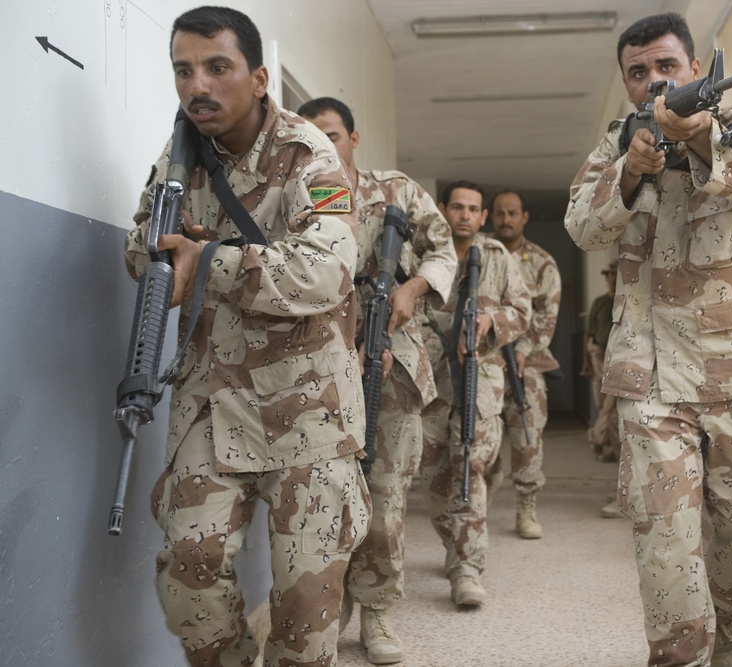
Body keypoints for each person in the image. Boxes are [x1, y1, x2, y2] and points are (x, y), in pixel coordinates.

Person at [124, 7, 370, 666]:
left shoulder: (305, 152)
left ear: (259, 78)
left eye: (217, 67)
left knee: (307, 602)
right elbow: (143, 239)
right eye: (183, 70)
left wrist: (206, 261)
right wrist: (154, 259)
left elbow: (327, 270)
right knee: (190, 566)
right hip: (211, 398)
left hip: (309, 404)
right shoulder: (178, 154)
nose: (197, 84)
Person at [564, 12, 732, 667]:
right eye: (637, 72)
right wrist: (633, 171)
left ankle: (726, 614)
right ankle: (683, 651)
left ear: (695, 71)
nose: (654, 82)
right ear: (625, 84)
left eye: (666, 67)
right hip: (647, 375)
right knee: (664, 543)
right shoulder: (618, 142)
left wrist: (701, 143)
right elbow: (583, 225)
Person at [297, 96, 457, 665]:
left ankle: (379, 611)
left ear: (354, 138)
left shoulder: (397, 190)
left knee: (385, 498)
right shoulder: (300, 194)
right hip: (318, 364)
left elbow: (444, 251)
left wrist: (411, 292)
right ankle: (331, 603)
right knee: (323, 497)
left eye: (333, 136)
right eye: (311, 137)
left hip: (394, 361)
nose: (323, 147)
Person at [420, 180, 530, 607]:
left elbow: (522, 312)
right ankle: (454, 544)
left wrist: (491, 322)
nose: (465, 215)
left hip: (480, 380)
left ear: (483, 217)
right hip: (430, 380)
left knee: (470, 467)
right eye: (458, 207)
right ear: (444, 210)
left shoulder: (498, 258)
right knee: (433, 478)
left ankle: (467, 568)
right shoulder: (424, 254)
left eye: (474, 209)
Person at [485, 190, 561, 539]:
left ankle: (526, 507)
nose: (505, 219)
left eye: (512, 213)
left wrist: (524, 348)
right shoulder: (479, 254)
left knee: (527, 432)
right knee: (477, 433)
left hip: (524, 362)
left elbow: (547, 316)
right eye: (499, 213)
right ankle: (480, 494)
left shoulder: (542, 262)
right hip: (483, 358)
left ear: (524, 217)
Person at [582, 261, 620, 466]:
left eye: (616, 274)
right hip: (598, 354)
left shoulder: (626, 300)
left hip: (617, 356)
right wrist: (585, 362)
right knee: (602, 404)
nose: (613, 278)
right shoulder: (599, 302)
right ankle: (606, 445)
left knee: (610, 406)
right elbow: (589, 333)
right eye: (610, 275)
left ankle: (595, 438)